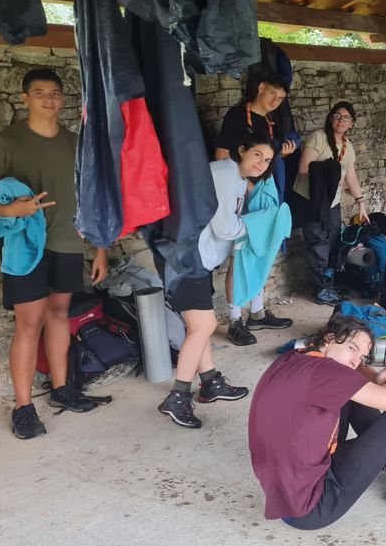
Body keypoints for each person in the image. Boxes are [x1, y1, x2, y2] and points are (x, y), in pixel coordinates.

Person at [0, 68, 109, 439]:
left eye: (55, 92)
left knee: (59, 315)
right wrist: (9, 210)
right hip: (24, 246)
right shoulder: (7, 141)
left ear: (63, 98)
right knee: (28, 325)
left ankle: (62, 389)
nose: (49, 99)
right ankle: (24, 408)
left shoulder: (75, 143)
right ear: (25, 98)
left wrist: (101, 249)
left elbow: (94, 200)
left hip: (67, 241)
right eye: (40, 92)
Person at [248, 313, 386, 529]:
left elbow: (352, 371)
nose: (355, 360)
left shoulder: (296, 357)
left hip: (292, 489)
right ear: (329, 339)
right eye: (352, 348)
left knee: (354, 392)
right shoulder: (328, 373)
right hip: (311, 507)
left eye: (362, 356)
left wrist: (374, 379)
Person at [156, 133, 276, 429]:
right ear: (242, 149)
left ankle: (210, 382)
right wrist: (256, 226)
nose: (262, 163)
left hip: (196, 256)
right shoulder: (224, 174)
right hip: (186, 257)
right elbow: (224, 227)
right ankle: (177, 397)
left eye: (267, 160)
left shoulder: (235, 177)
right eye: (257, 154)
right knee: (204, 325)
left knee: (199, 325)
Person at [214, 70, 298, 346]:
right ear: (261, 87)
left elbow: (265, 160)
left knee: (262, 250)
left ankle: (257, 313)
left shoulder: (269, 122)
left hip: (265, 192)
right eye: (273, 93)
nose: (275, 100)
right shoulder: (238, 116)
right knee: (240, 255)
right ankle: (235, 320)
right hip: (243, 193)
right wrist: (245, 187)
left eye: (281, 98)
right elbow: (223, 155)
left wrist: (280, 155)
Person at [292, 101, 369, 305]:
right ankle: (321, 289)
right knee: (318, 241)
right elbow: (304, 168)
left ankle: (328, 282)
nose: (341, 120)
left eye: (346, 118)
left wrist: (361, 202)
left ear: (352, 123)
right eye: (337, 116)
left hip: (332, 201)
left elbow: (350, 176)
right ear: (330, 118)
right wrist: (332, 175)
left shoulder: (347, 146)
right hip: (311, 200)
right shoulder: (318, 137)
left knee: (334, 239)